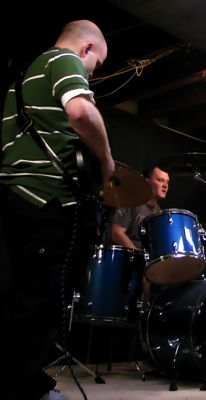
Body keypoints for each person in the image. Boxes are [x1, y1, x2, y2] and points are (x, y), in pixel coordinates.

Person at [0, 20, 114, 400]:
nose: (90, 74)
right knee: (41, 303)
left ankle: (26, 381)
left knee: (19, 297)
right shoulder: (64, 60)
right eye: (95, 65)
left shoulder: (21, 83)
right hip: (47, 199)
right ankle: (26, 389)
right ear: (86, 49)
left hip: (16, 197)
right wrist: (107, 160)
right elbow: (81, 113)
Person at [110, 165, 170, 299]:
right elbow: (116, 233)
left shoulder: (158, 212)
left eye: (167, 182)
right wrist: (140, 257)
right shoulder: (132, 201)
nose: (165, 185)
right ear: (146, 182)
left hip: (143, 261)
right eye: (160, 180)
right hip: (124, 258)